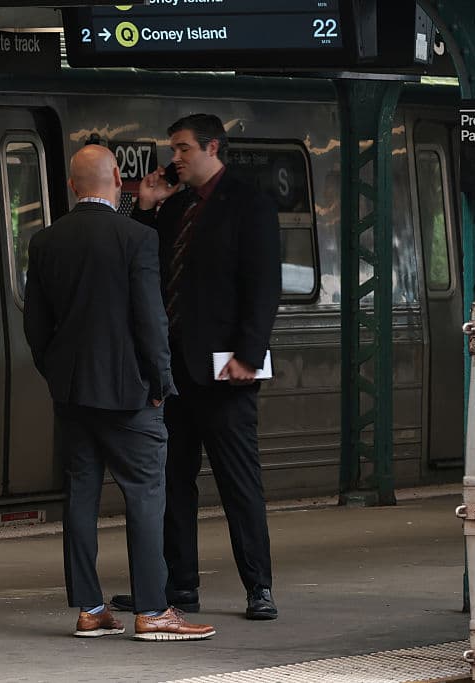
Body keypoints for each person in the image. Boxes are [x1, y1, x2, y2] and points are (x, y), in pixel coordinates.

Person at [23, 145, 215, 641]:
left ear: (72, 186)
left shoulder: (45, 241)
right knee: (146, 496)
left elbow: (36, 327)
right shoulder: (136, 238)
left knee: (80, 497)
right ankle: (152, 610)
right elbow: (150, 320)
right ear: (116, 176)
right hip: (131, 395)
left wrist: (58, 376)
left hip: (73, 396)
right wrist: (161, 382)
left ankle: (90, 609)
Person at [111, 113, 282, 620]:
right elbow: (139, 263)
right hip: (173, 371)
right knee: (172, 479)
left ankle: (259, 587)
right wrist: (145, 206)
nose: (176, 158)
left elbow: (263, 286)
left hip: (226, 370)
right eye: (174, 149)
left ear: (212, 147)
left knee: (238, 479)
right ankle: (179, 586)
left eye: (184, 148)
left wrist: (249, 355)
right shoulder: (175, 208)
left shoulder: (249, 204)